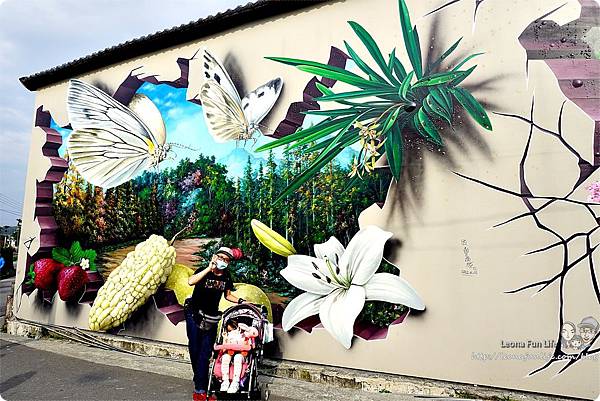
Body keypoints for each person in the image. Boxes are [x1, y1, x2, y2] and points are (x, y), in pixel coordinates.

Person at [185, 246, 245, 401]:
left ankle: (201, 389)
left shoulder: (226, 276)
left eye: (226, 260)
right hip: (194, 314)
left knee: (205, 353)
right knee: (195, 350)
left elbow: (228, 295)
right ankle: (200, 381)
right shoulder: (203, 271)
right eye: (221, 257)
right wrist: (208, 268)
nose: (223, 261)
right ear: (214, 257)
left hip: (211, 317)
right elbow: (191, 281)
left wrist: (241, 301)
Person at [219, 319, 258, 393]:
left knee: (238, 358)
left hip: (241, 354)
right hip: (229, 352)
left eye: (233, 329)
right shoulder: (228, 335)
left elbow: (248, 346)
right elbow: (223, 350)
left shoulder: (244, 335)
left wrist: (245, 341)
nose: (232, 332)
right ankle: (225, 381)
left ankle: (235, 382)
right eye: (229, 331)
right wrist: (225, 338)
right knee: (225, 358)